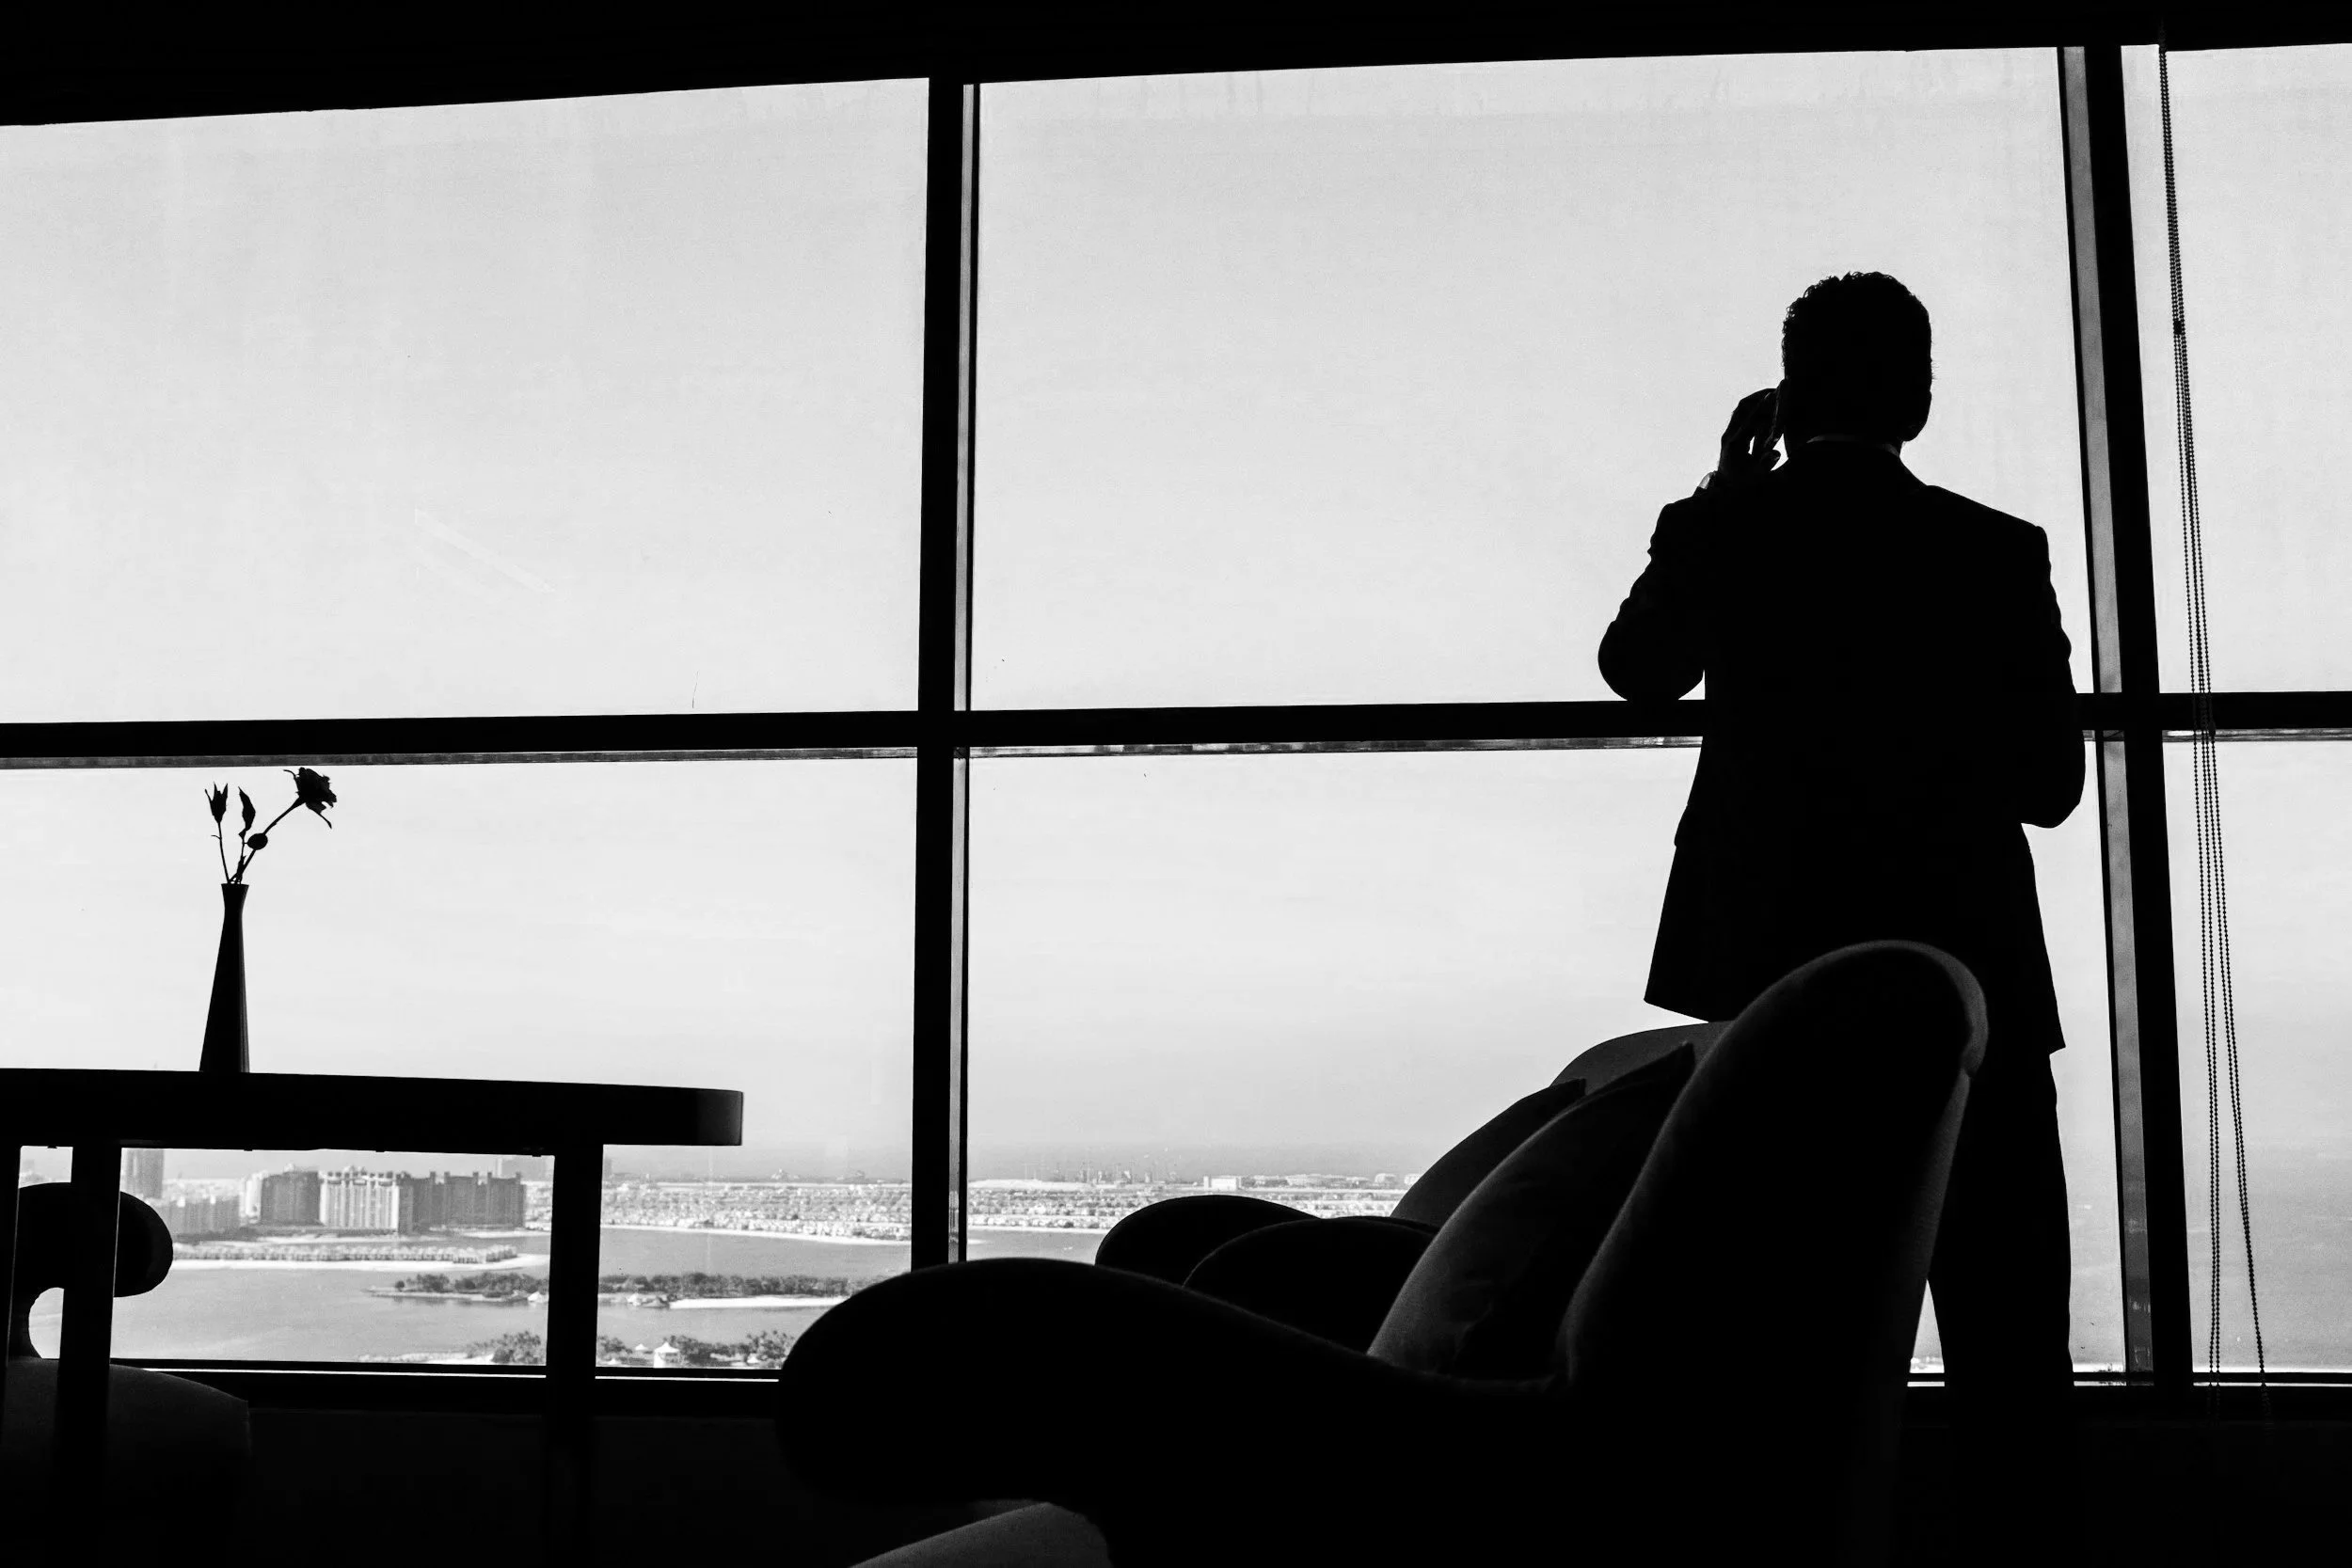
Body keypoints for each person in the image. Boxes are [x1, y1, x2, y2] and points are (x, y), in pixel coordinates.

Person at [1598, 271, 2082, 1559]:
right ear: (1919, 398)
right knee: (2011, 1351)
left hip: (1768, 990)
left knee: (1771, 1349)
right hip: (1970, 981)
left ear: (1788, 392)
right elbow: (2051, 785)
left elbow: (1636, 671)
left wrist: (1719, 489)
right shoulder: (1998, 550)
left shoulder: (1729, 532)